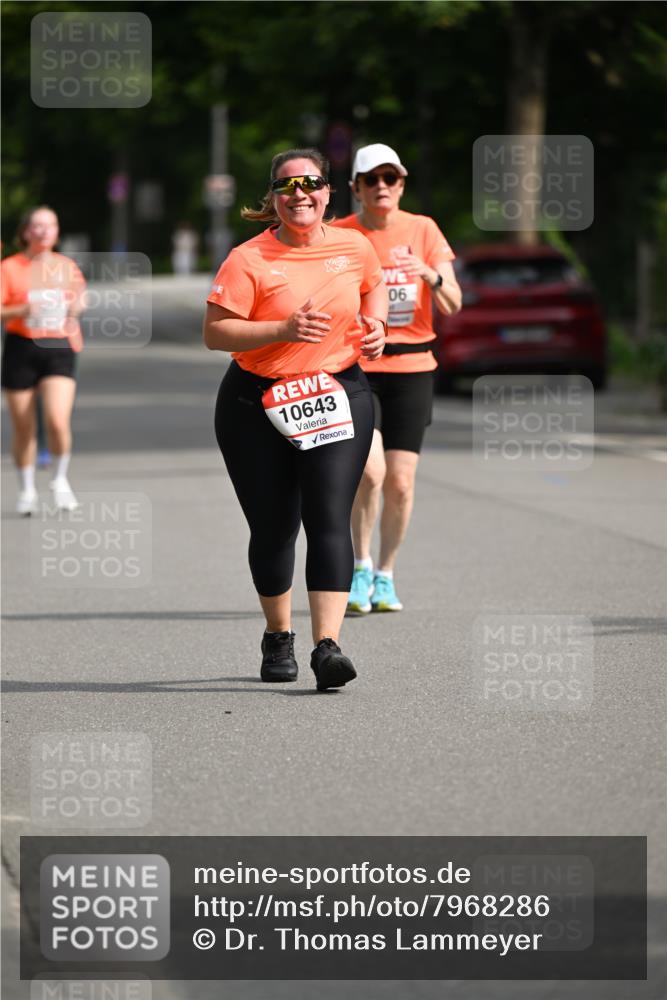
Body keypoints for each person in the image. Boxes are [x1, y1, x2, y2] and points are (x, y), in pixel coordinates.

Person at [203, 148, 387, 691]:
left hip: (337, 391)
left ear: (329, 194)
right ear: (274, 198)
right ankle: (277, 634)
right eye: (287, 186)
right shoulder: (248, 259)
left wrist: (375, 324)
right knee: (275, 526)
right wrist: (281, 329)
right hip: (255, 403)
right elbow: (216, 333)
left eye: (310, 184)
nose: (300, 194)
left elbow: (372, 283)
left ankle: (327, 646)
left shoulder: (355, 245)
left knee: (328, 516)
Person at [334, 143, 462, 614]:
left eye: (391, 178)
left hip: (413, 368)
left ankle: (385, 575)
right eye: (372, 179)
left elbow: (454, 303)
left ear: (402, 184)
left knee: (401, 483)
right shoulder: (342, 235)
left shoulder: (423, 230)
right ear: (356, 189)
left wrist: (427, 273)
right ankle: (359, 566)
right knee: (370, 472)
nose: (382, 187)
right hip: (359, 367)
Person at [1, 206, 86, 515]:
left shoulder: (66, 266)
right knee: (23, 427)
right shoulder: (10, 267)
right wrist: (24, 309)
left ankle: (60, 479)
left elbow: (80, 298)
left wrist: (74, 308)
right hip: (21, 346)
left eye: (50, 225)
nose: (44, 231)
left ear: (56, 232)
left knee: (56, 420)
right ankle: (26, 490)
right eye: (37, 226)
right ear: (26, 232)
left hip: (58, 345)